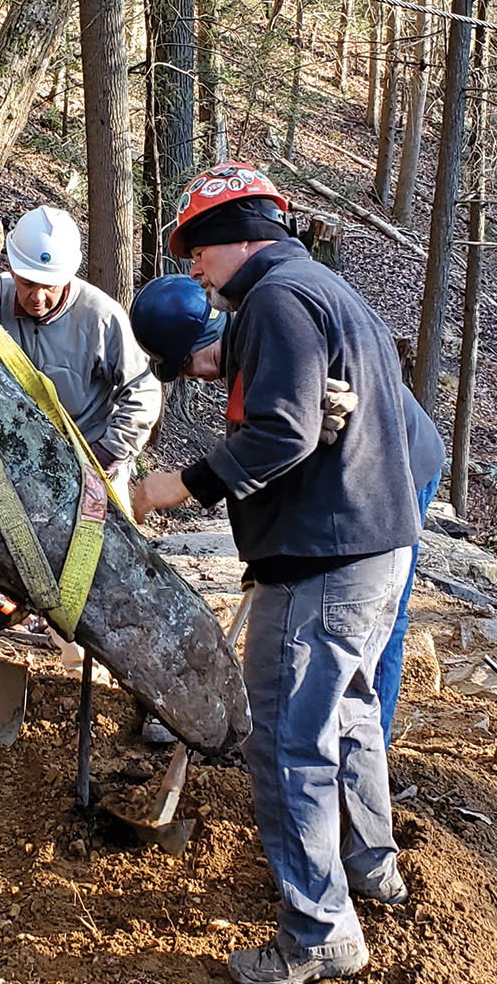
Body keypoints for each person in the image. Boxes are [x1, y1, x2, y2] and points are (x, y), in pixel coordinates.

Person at [132, 162, 422, 984]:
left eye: (198, 252)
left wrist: (174, 486)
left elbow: (283, 432)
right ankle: (372, 867)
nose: (193, 269)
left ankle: (319, 930)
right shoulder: (317, 287)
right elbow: (302, 398)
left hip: (320, 561)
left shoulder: (275, 299)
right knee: (355, 710)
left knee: (291, 743)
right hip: (374, 548)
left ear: (238, 238)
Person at [131, 274, 446, 748]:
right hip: (347, 479)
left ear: (203, 340)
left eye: (187, 364)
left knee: (379, 626)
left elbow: (274, 443)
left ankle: (363, 747)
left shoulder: (274, 332)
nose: (193, 375)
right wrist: (262, 561)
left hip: (400, 467)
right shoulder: (241, 351)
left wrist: (179, 487)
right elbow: (260, 461)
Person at [0, 205, 162, 513]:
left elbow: (144, 390)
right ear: (12, 270)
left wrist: (105, 455)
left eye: (49, 286)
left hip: (91, 460)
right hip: (13, 458)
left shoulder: (100, 317)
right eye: (28, 283)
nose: (38, 298)